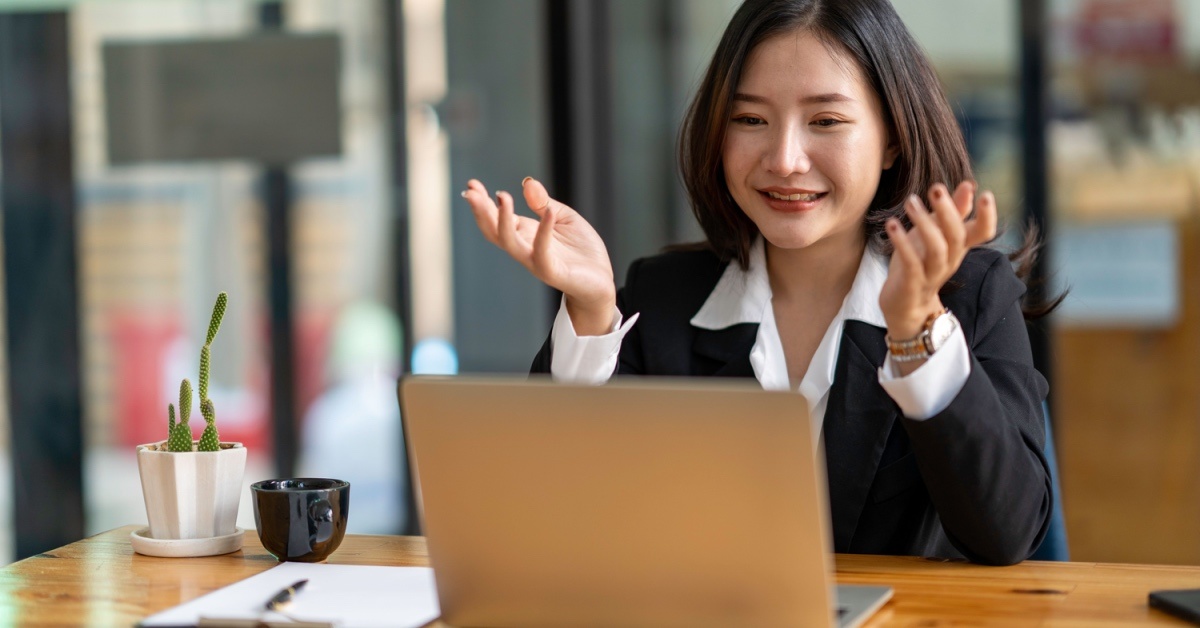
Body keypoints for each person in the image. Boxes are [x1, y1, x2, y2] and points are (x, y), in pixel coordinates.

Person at [461, 0, 1052, 566]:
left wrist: (915, 331)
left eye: (826, 120)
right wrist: (591, 310)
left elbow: (1007, 533)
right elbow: (553, 515)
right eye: (750, 119)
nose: (785, 159)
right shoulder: (661, 298)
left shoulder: (967, 294)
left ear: (892, 138)